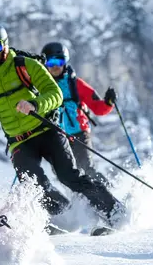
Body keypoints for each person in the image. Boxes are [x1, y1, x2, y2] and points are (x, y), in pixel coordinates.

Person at [0, 22, 126, 231]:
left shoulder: (26, 66)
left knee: (69, 176)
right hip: (19, 142)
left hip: (47, 130)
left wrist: (35, 104)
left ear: (5, 46)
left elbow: (55, 94)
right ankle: (66, 218)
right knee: (34, 186)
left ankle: (114, 212)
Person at [41, 42, 116, 187]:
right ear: (45, 64)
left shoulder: (76, 84)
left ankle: (109, 192)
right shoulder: (42, 87)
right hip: (57, 137)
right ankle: (80, 199)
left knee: (87, 169)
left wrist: (108, 102)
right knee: (64, 174)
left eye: (59, 62)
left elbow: (98, 108)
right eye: (51, 62)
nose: (55, 66)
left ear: (65, 62)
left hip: (79, 133)